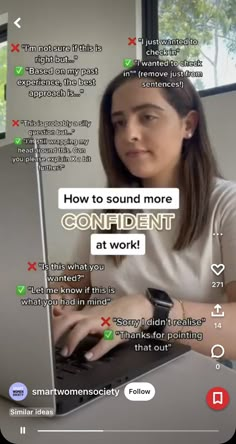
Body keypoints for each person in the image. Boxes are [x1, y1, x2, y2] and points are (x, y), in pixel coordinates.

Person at [52, 61, 236, 365]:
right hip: (101, 365)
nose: (129, 134)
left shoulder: (225, 204)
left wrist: (151, 310)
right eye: (119, 123)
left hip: (193, 377)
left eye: (147, 117)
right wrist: (57, 303)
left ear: (188, 125)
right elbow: (75, 286)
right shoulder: (110, 209)